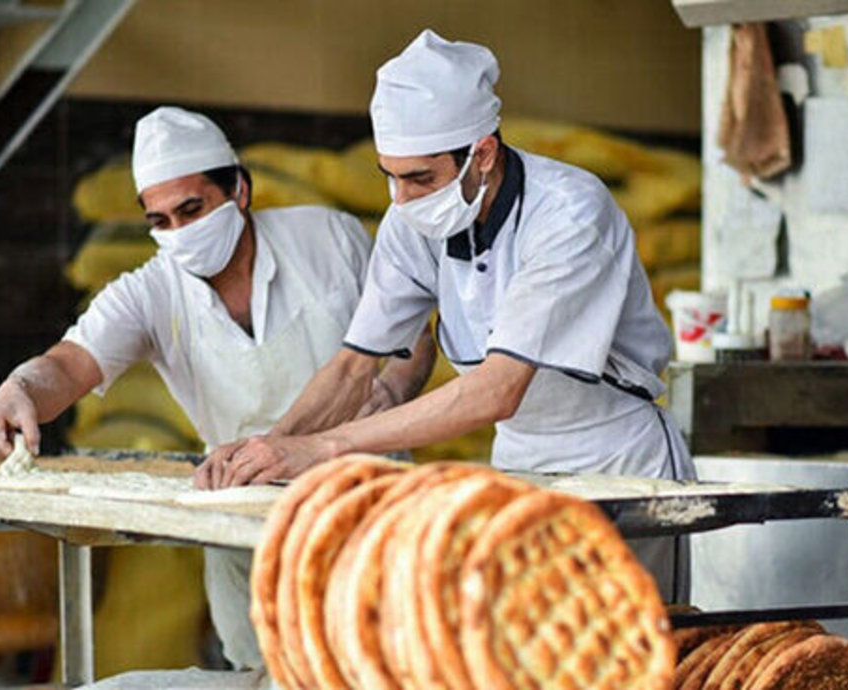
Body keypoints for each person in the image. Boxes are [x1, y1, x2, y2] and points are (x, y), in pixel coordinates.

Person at [0, 106, 436, 668]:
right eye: (160, 221)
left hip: (367, 500)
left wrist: (387, 396)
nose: (180, 233)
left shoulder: (329, 239)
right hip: (240, 519)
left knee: (388, 666)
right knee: (267, 672)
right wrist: (20, 386)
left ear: (239, 189)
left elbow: (414, 341)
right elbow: (69, 365)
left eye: (192, 209)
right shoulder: (150, 291)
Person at [212, 30, 695, 507]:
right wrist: (269, 449)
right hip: (518, 457)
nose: (401, 200)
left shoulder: (568, 212)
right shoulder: (411, 221)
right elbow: (353, 367)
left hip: (619, 461)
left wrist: (324, 446)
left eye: (420, 178)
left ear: (482, 154)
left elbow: (497, 390)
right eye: (391, 178)